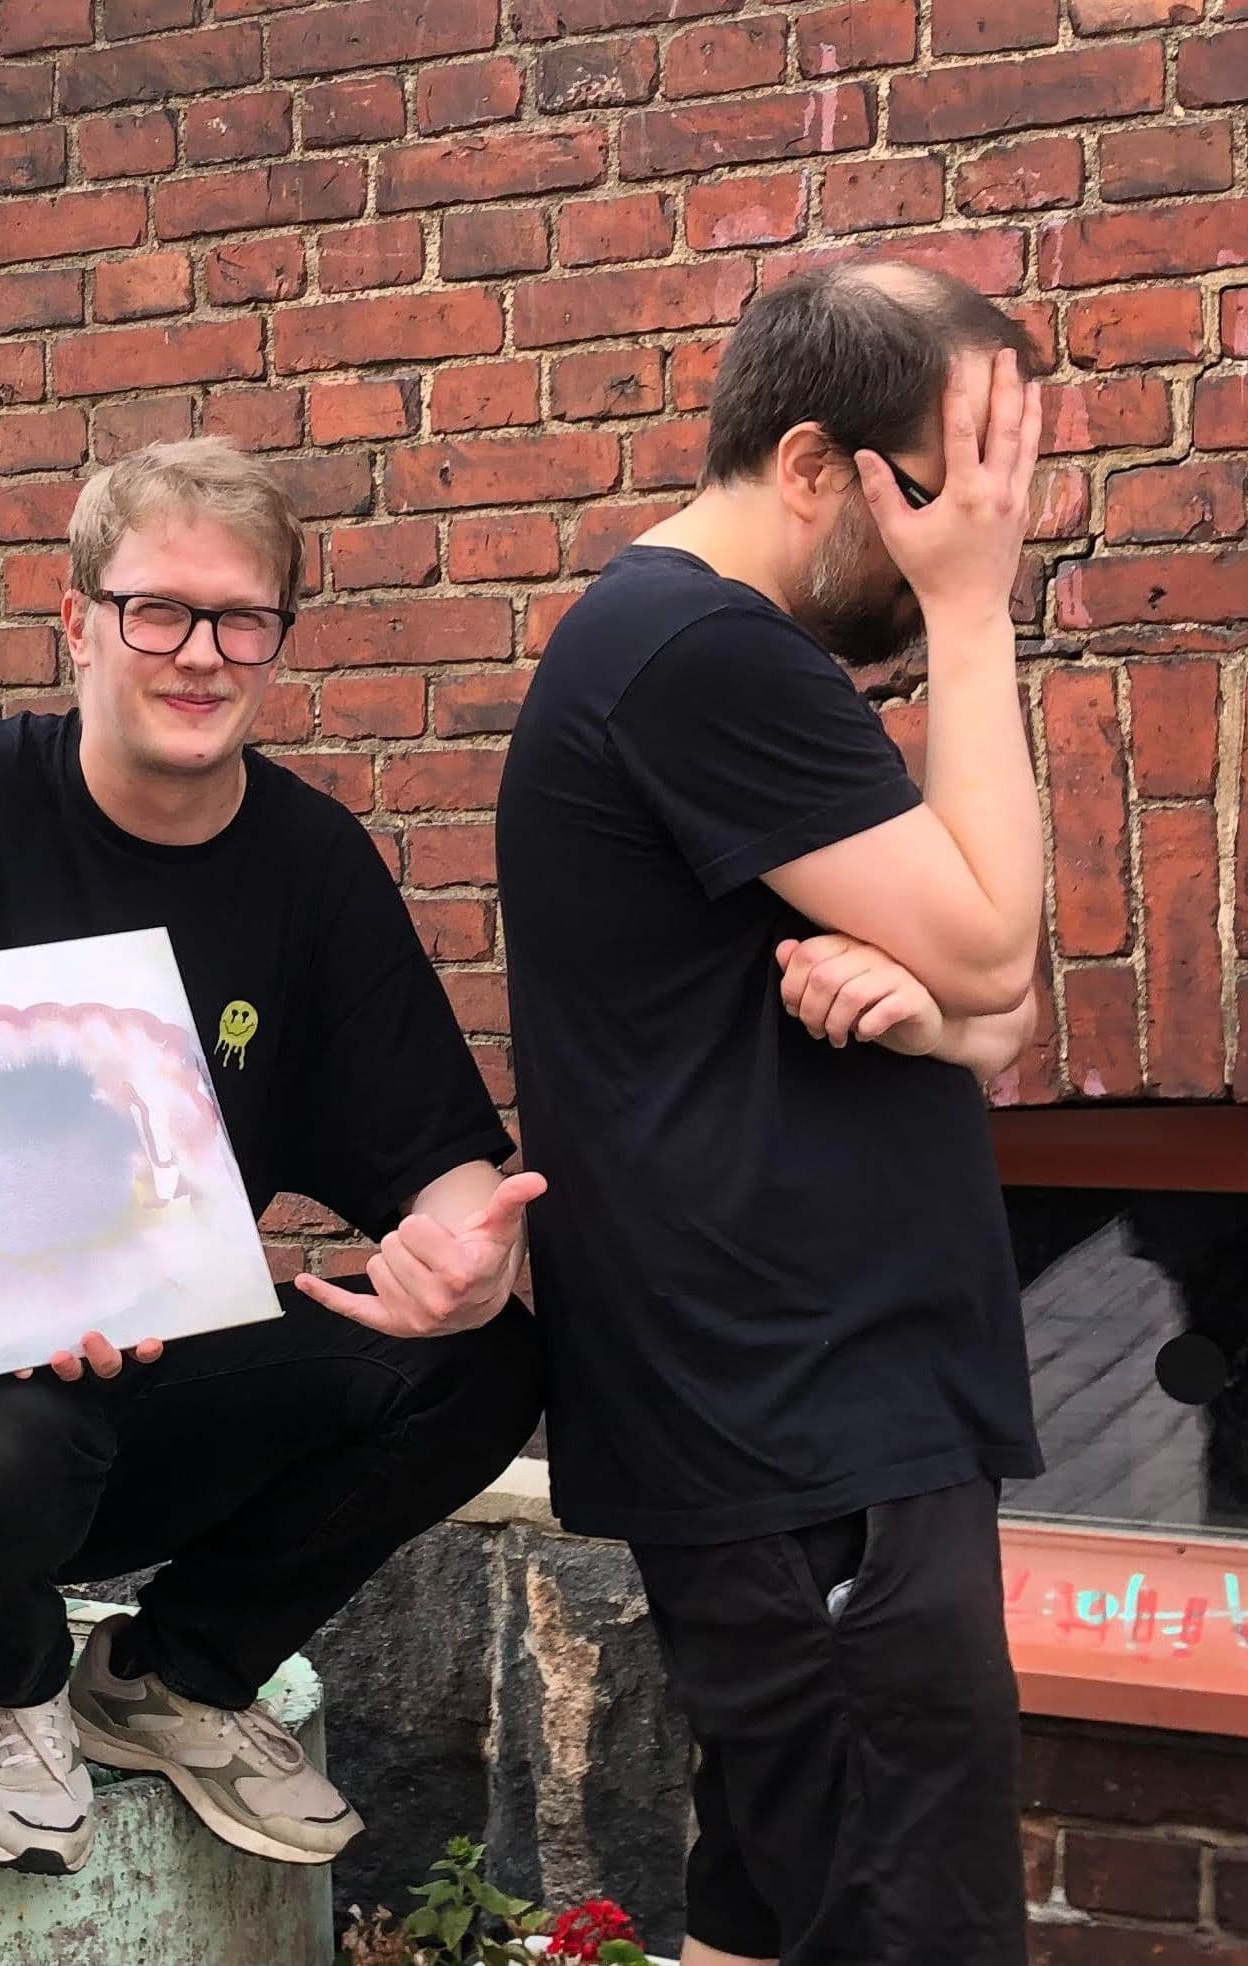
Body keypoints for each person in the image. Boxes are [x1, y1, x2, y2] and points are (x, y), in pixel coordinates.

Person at [0, 436, 546, 1877]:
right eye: (157, 610)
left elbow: (441, 1157)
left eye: (241, 619)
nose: (199, 654)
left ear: (279, 638)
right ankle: (12, 1684)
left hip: (158, 1378)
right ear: (78, 621)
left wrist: (468, 1246)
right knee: (0, 1434)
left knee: (488, 1360)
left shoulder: (310, 865)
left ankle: (169, 1678)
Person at [494, 260, 1047, 1966]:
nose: (976, 532)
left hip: (800, 1425)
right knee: (903, 1926)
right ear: (812, 464)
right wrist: (971, 614)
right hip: (809, 1423)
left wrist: (945, 1015)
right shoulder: (699, 656)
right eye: (944, 493)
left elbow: (997, 999)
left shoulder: (693, 654)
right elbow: (994, 935)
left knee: (760, 1913)